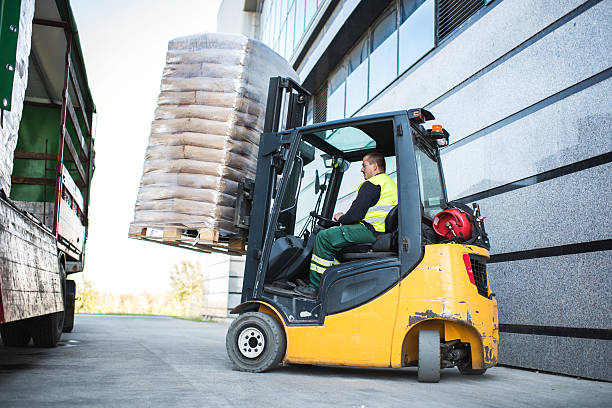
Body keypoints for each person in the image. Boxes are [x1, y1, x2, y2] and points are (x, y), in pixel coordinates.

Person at [296, 152, 398, 298]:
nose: (362, 169)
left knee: (324, 237)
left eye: (364, 165)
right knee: (336, 247)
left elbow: (355, 216)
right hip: (381, 232)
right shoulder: (391, 184)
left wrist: (341, 217)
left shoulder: (372, 184)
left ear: (375, 167)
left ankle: (315, 288)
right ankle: (334, 280)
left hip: (370, 230)